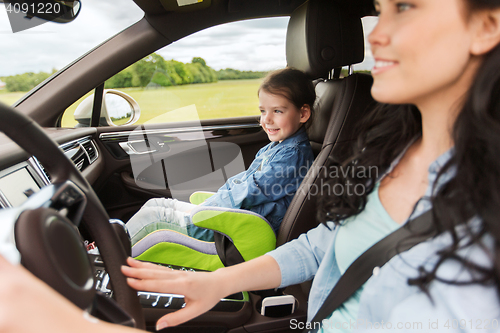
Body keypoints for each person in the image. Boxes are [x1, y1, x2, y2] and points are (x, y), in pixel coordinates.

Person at [1, 0, 500, 332]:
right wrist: (216, 282)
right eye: (382, 7)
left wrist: (41, 313)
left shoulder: (482, 239)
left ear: (488, 23)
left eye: (406, 7)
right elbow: (326, 242)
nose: (379, 33)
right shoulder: (397, 150)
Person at [125, 67, 315, 244]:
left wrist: (205, 210)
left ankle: (106, 254)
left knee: (152, 219)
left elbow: (250, 191)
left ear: (303, 113)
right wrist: (211, 204)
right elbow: (242, 183)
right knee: (155, 204)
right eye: (263, 111)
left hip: (236, 228)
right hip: (230, 216)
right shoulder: (276, 147)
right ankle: (109, 249)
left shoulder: (292, 156)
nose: (267, 119)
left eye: (277, 111)